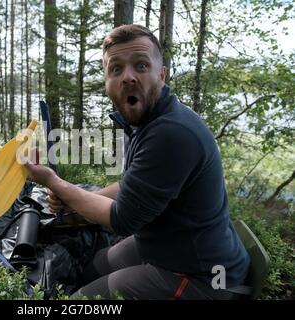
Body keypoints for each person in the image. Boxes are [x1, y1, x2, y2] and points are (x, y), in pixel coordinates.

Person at [24, 24, 250, 300]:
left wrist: (54, 182)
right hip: (164, 245)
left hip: (204, 276)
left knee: (79, 303)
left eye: (141, 66)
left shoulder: (171, 133)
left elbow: (122, 218)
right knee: (91, 268)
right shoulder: (145, 123)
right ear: (107, 82)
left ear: (162, 75)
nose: (128, 77)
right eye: (116, 69)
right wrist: (69, 195)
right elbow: (127, 187)